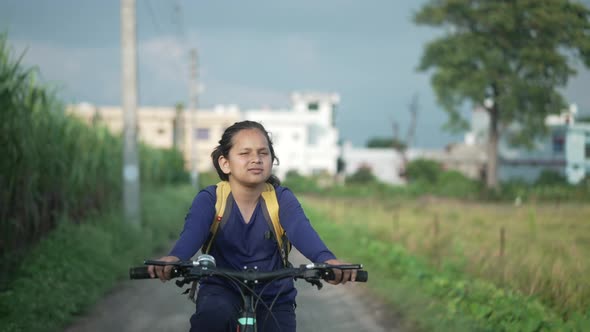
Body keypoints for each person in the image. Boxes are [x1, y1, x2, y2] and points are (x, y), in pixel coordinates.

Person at [148, 120, 356, 332]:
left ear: (272, 159)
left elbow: (302, 230)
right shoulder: (210, 198)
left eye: (263, 153)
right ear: (225, 163)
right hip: (220, 288)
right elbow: (192, 233)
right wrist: (174, 258)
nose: (256, 159)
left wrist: (326, 260)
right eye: (245, 153)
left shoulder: (281, 199)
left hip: (274, 292)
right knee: (211, 319)